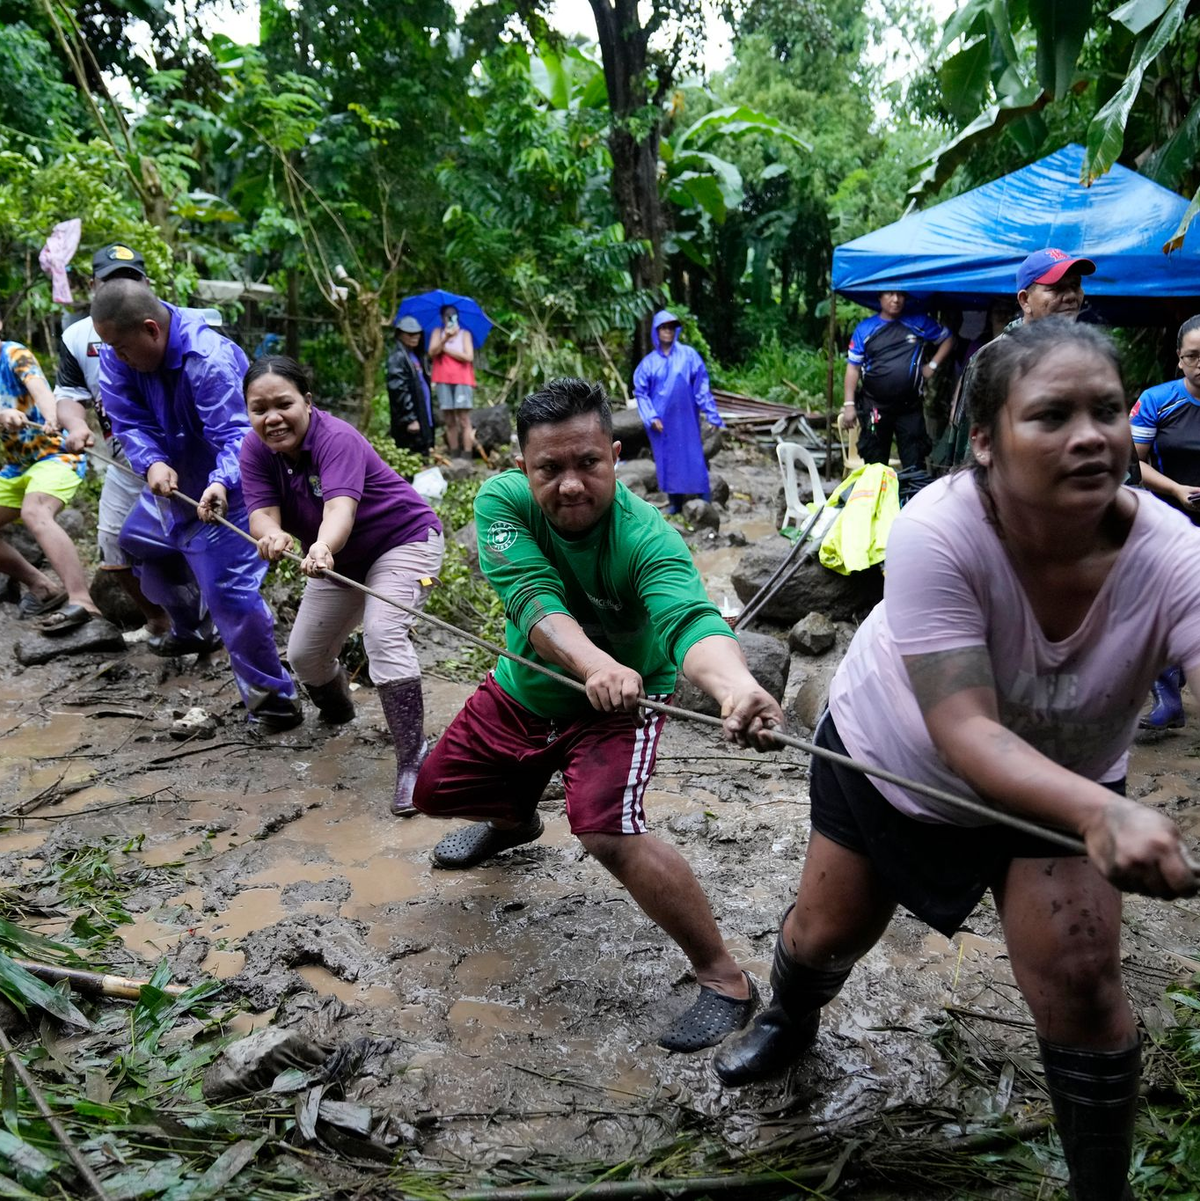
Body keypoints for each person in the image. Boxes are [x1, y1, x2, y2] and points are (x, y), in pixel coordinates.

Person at [714, 318, 1199, 1201]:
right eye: (1051, 415)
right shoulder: (938, 527)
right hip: (895, 757)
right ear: (984, 441)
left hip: (1065, 782)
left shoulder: (1174, 555)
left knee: (1083, 981)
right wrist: (1105, 815)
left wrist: (1096, 805)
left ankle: (1102, 1188)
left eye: (1106, 411)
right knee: (830, 931)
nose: (1090, 434)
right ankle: (788, 1017)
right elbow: (965, 731)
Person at [412, 377, 784, 1052]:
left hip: (621, 707)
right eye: (550, 469)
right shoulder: (501, 502)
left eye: (588, 463)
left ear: (614, 455)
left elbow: (691, 620)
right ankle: (514, 818)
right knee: (434, 790)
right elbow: (533, 599)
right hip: (527, 688)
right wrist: (593, 664)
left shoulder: (649, 538)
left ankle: (726, 979)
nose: (572, 485)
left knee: (606, 829)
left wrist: (734, 688)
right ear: (523, 469)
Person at [91, 278, 302, 731]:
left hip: (233, 492)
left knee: (231, 595)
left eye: (123, 347)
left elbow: (238, 435)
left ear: (151, 330)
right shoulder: (117, 352)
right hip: (172, 489)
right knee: (138, 542)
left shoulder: (207, 358)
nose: (116, 356)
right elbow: (127, 418)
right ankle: (192, 630)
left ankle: (274, 702)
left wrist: (221, 482)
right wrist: (151, 462)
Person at [240, 355, 444, 815]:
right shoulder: (254, 450)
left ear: (307, 402)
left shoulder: (336, 439)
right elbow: (261, 512)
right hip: (338, 558)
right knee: (304, 656)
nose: (272, 418)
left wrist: (322, 546)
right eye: (259, 409)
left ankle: (414, 761)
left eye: (283, 404)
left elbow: (339, 511)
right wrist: (270, 535)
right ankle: (340, 712)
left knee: (382, 632)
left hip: (403, 542)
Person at [53, 244, 182, 641]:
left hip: (181, 461)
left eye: (129, 278)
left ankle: (207, 625)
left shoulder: (170, 323)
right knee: (113, 545)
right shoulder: (77, 336)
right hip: (124, 462)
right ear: (93, 286)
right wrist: (75, 426)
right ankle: (158, 621)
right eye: (110, 280)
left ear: (145, 283)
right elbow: (69, 396)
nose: (119, 286)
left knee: (193, 544)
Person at [939, 249, 1096, 467]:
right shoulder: (994, 360)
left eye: (1075, 285)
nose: (1070, 296)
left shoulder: (1090, 358)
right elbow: (970, 448)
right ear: (1025, 301)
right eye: (1056, 288)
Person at [0, 322, 101, 632]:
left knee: (35, 511)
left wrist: (50, 417)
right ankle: (42, 586)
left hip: (56, 455)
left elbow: (40, 388)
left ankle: (83, 601)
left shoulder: (13, 352)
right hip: (17, 467)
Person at [1128, 314, 1200, 732]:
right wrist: (1174, 488)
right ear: (1179, 359)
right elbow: (1134, 461)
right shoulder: (1158, 399)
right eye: (1193, 356)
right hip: (1168, 517)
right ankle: (1168, 696)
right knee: (1156, 609)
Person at [839, 290, 953, 469]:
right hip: (874, 407)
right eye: (890, 294)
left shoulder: (919, 323)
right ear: (879, 297)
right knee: (874, 466)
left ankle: (911, 498)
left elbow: (948, 339)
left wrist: (932, 366)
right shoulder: (865, 329)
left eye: (900, 295)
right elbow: (852, 368)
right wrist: (849, 405)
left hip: (909, 409)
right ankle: (877, 497)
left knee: (915, 463)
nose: (895, 299)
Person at [632, 310, 723, 514]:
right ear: (656, 331)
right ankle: (675, 504)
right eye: (664, 327)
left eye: (671, 327)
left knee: (694, 458)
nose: (668, 331)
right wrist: (651, 416)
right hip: (662, 423)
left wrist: (712, 414)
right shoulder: (648, 363)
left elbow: (701, 386)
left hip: (687, 419)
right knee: (669, 461)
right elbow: (641, 393)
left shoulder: (689, 355)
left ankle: (705, 502)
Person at [428, 304, 476, 458]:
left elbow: (468, 357)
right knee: (449, 419)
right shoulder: (438, 332)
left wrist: (446, 349)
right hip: (442, 379)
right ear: (442, 318)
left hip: (462, 380)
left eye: (452, 315)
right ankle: (454, 452)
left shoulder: (465, 334)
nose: (449, 318)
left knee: (463, 418)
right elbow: (432, 352)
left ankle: (467, 454)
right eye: (446, 316)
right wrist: (445, 339)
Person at [386, 316, 434, 455]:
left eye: (417, 333)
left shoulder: (415, 355)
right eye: (410, 334)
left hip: (422, 413)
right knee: (411, 456)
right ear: (400, 334)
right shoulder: (398, 357)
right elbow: (398, 389)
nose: (415, 337)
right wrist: (410, 418)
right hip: (410, 420)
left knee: (423, 454)